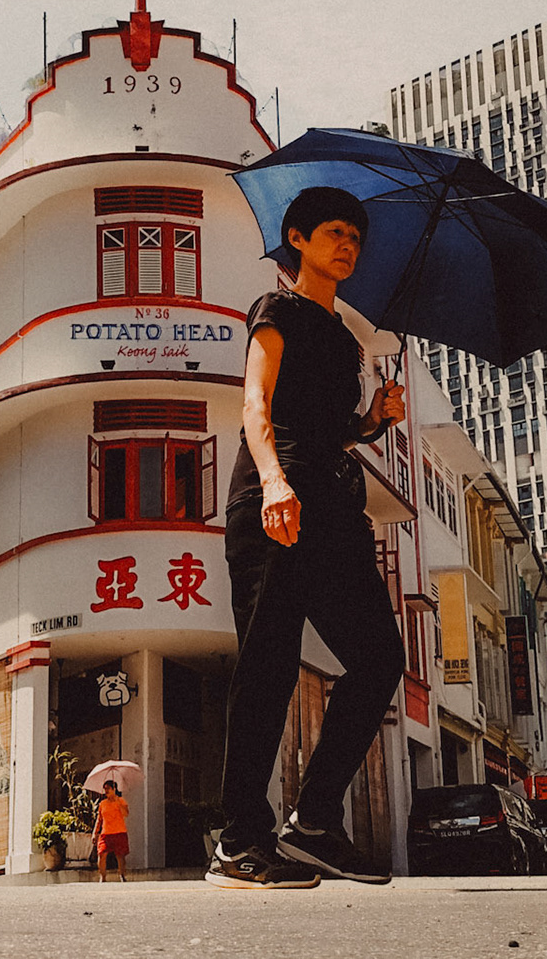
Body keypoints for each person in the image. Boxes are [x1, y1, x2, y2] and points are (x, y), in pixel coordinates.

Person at [206, 186, 407, 890]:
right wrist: (271, 482)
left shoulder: (348, 339)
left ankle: (316, 822)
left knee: (380, 657)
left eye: (355, 235)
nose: (347, 244)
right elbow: (256, 403)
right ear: (297, 238)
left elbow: (327, 426)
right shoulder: (277, 309)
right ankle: (238, 841)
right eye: (333, 231)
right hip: (277, 501)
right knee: (270, 666)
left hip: (331, 506)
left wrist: (373, 421)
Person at [91, 779, 130, 882]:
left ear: (114, 789)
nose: (106, 791)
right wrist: (95, 833)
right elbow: (99, 819)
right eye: (105, 789)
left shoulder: (121, 800)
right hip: (106, 833)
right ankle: (102, 877)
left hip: (119, 831)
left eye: (108, 788)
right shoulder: (102, 804)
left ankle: (122, 875)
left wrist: (118, 802)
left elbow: (126, 813)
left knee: (120, 855)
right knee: (102, 853)